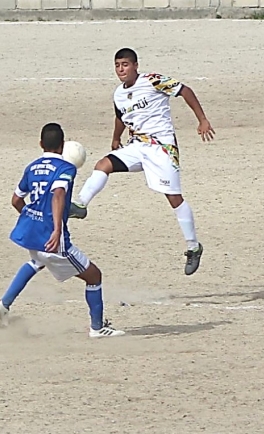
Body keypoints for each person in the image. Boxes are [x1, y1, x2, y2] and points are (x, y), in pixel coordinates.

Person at [69, 47, 215, 276]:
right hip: (137, 146)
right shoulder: (118, 94)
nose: (121, 69)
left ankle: (193, 246)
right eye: (117, 65)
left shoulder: (153, 80)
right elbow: (120, 116)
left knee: (174, 198)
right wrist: (116, 138)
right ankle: (80, 205)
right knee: (103, 165)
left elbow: (185, 90)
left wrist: (202, 119)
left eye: (125, 65)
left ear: (135, 66)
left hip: (161, 147)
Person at [0, 123, 125, 339]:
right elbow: (59, 194)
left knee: (37, 261)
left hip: (32, 234)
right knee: (94, 276)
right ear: (62, 145)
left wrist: (31, 217)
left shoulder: (32, 167)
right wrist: (56, 229)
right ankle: (97, 328)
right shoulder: (66, 168)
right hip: (52, 237)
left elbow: (16, 200)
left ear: (40, 144)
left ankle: (4, 304)